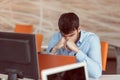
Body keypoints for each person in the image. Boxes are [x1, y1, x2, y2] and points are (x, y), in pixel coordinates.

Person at [46, 12, 102, 78]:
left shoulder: (92, 39)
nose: (67, 39)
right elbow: (45, 69)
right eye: (64, 36)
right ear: (60, 31)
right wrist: (54, 49)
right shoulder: (56, 37)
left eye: (71, 35)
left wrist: (77, 51)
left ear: (79, 29)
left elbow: (96, 73)